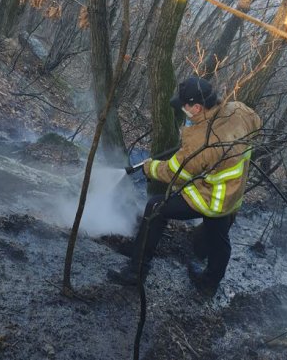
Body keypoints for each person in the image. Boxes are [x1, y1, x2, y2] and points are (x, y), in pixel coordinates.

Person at [108, 76, 262, 296]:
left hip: (211, 198)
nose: (182, 110)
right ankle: (209, 284)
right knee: (219, 238)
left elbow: (175, 172)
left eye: (185, 106)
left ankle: (136, 271)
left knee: (155, 208)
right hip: (233, 193)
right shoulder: (239, 111)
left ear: (197, 107)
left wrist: (150, 168)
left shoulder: (201, 140)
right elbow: (257, 123)